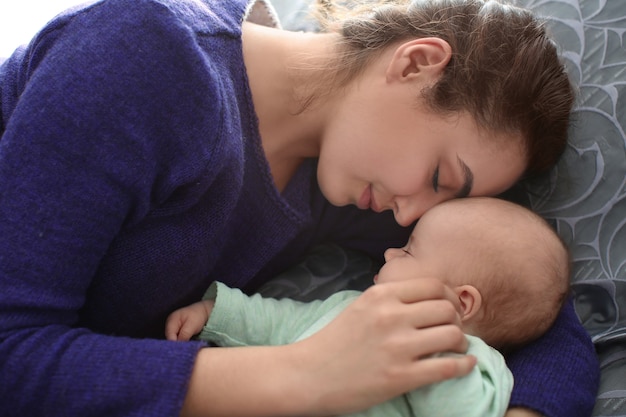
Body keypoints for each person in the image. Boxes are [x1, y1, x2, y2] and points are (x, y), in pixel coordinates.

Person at [0, 0, 598, 416]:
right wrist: (304, 374)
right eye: (441, 177)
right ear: (414, 63)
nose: (415, 217)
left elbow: (529, 298)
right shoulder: (140, 55)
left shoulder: (346, 180)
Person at [165, 197, 571, 417]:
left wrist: (433, 345)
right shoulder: (352, 307)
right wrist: (217, 313)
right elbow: (280, 321)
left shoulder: (474, 365)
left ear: (460, 302)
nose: (391, 252)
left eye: (410, 252)